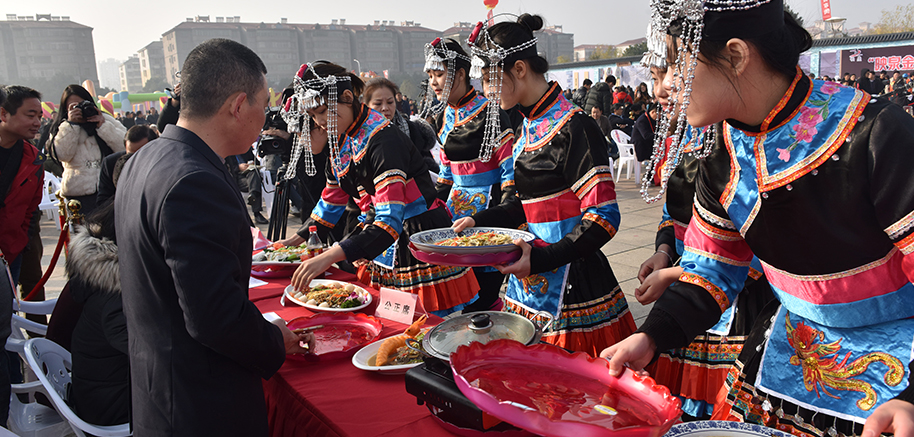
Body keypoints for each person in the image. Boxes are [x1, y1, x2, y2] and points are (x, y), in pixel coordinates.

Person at [602, 0, 914, 435]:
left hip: (897, 378)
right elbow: (711, 270)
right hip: (785, 355)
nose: (667, 84)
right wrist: (651, 336)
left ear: (736, 55)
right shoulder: (722, 151)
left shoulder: (875, 133)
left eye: (677, 64)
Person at [116, 38, 311, 436]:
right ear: (238, 105)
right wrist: (273, 338)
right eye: (263, 104)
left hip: (159, 390)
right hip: (200, 406)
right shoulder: (193, 181)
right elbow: (215, 319)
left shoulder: (147, 157)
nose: (266, 118)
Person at [455, 14, 636, 356]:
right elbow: (524, 205)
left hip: (574, 285)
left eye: (491, 79)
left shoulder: (575, 127)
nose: (487, 91)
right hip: (528, 280)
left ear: (519, 69)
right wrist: (478, 221)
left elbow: (603, 217)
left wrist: (542, 258)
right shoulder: (526, 125)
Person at [282, 61, 480, 317]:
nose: (319, 122)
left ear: (347, 97)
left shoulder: (384, 140)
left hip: (416, 234)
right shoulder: (342, 137)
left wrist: (330, 255)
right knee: (390, 321)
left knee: (424, 323)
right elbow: (332, 199)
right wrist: (294, 240)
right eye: (313, 116)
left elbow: (389, 220)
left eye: (322, 111)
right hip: (381, 233)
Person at [422, 38, 516, 313]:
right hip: (455, 211)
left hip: (488, 207)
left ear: (461, 74)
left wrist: (505, 214)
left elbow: (509, 172)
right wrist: (429, 208)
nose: (433, 82)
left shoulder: (491, 112)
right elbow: (445, 173)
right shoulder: (445, 115)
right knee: (460, 295)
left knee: (484, 293)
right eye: (430, 75)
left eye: (439, 74)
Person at [0, 85, 44, 424]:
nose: (37, 122)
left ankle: (12, 400)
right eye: (30, 115)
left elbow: (30, 210)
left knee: (6, 328)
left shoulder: (32, 157)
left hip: (8, 256)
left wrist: (17, 242)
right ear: (4, 114)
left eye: (39, 115)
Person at [66, 200, 129, 426]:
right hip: (113, 408)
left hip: (103, 394)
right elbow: (152, 353)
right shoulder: (117, 296)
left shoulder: (101, 279)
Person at [46, 84, 126, 217]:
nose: (80, 109)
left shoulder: (105, 119)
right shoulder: (62, 127)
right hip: (78, 192)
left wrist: (103, 126)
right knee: (83, 229)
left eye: (82, 104)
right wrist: (71, 125)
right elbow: (62, 155)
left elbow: (124, 147)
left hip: (109, 187)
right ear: (66, 108)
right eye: (74, 106)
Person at [365, 77, 439, 175]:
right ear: (366, 105)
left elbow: (428, 171)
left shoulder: (413, 131)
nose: (385, 108)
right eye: (378, 103)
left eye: (390, 102)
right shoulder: (358, 139)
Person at [97, 124, 158, 205]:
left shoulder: (160, 165)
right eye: (130, 154)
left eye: (140, 154)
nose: (135, 159)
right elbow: (103, 200)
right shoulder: (111, 163)